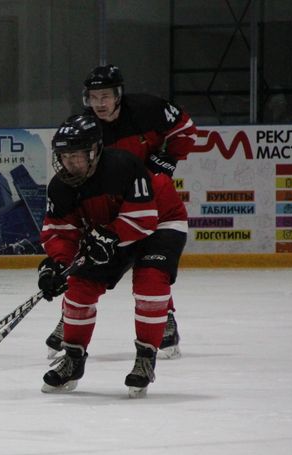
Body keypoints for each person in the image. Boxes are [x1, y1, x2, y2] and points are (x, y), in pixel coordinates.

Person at [44, 64, 197, 360]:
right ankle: (70, 316)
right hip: (109, 202)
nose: (99, 103)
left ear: (118, 95)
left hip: (150, 199)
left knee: (152, 266)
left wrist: (168, 158)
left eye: (105, 96)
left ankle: (163, 316)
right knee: (88, 259)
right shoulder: (86, 128)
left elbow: (185, 128)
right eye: (93, 97)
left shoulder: (146, 109)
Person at [37, 114, 187, 397]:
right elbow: (60, 232)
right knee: (79, 286)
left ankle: (145, 357)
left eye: (76, 156)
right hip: (110, 229)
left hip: (161, 222)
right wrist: (57, 264)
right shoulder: (60, 187)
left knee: (150, 283)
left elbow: (144, 219)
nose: (69, 163)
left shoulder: (124, 165)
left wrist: (110, 235)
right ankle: (73, 359)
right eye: (64, 157)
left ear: (94, 151)